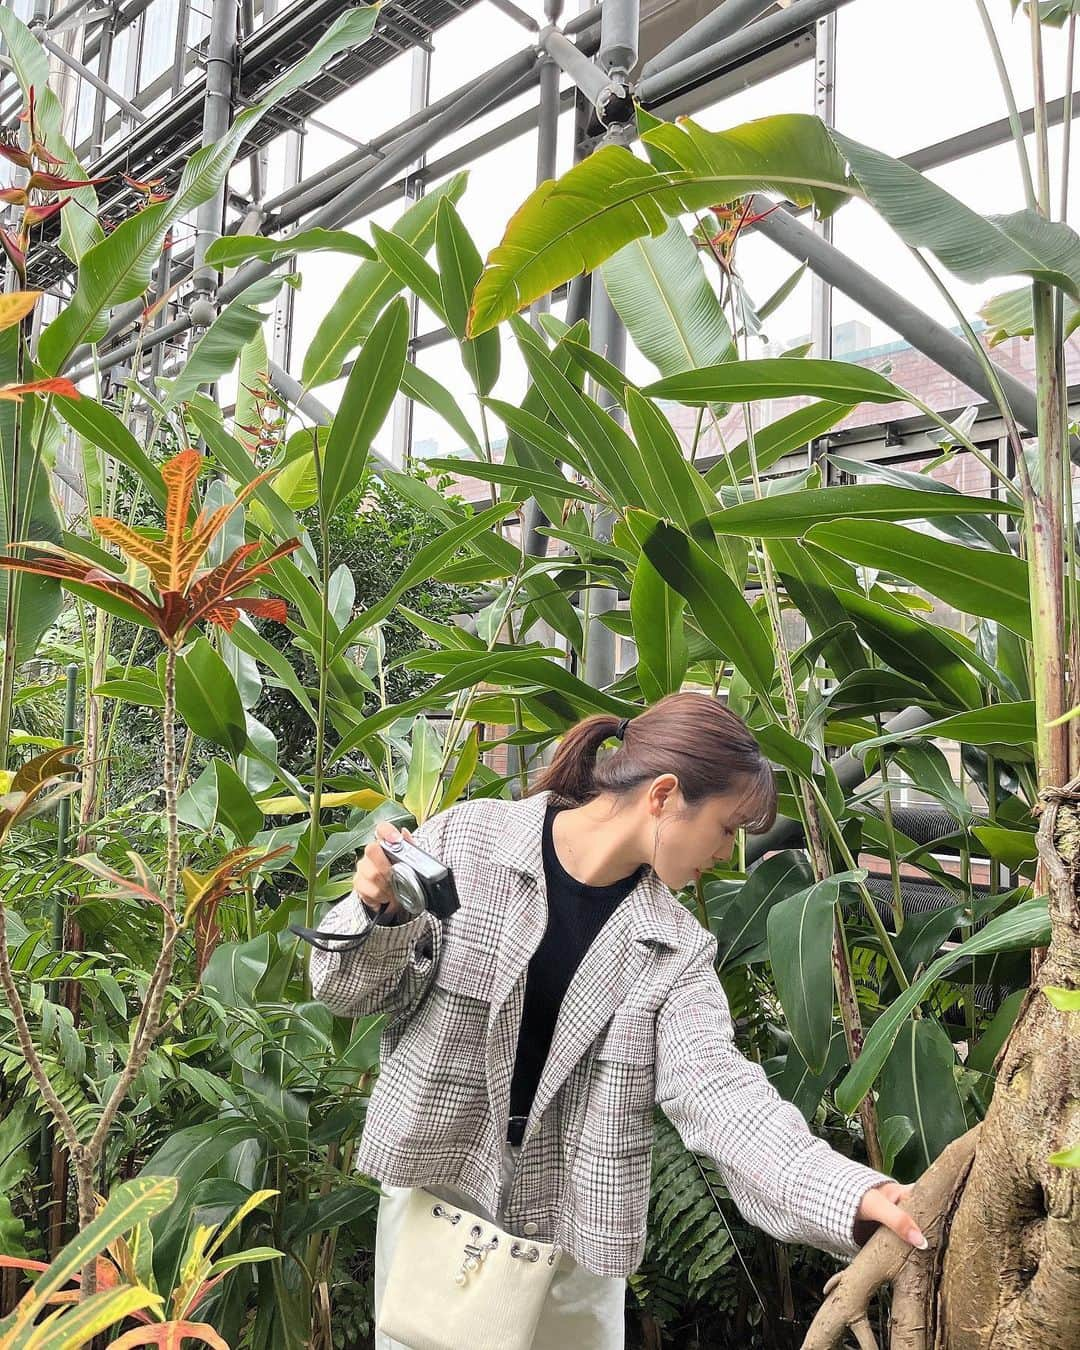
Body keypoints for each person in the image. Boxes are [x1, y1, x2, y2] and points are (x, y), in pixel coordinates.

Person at [310, 692, 924, 1350]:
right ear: (663, 795)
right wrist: (378, 913)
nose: (728, 854)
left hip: (569, 1246)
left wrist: (852, 1195)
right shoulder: (470, 840)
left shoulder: (675, 948)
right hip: (439, 1211)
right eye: (725, 829)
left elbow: (719, 1092)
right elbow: (341, 988)